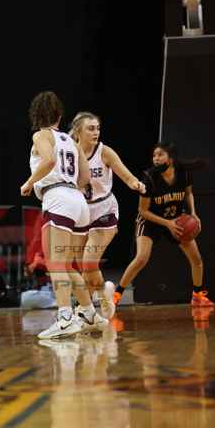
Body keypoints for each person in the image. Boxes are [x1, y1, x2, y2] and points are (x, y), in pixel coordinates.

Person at [20, 91, 107, 339]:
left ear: (36, 115)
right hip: (78, 201)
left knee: (55, 263)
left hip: (58, 198)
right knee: (67, 265)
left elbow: (48, 161)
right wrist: (71, 191)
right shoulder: (71, 141)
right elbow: (85, 177)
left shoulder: (40, 135)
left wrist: (29, 183)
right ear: (59, 115)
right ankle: (89, 314)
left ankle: (65, 317)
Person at [113, 141, 213, 307]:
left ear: (170, 158)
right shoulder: (149, 177)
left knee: (196, 259)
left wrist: (193, 213)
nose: (156, 158)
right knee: (141, 258)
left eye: (160, 155)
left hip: (176, 219)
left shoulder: (183, 173)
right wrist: (167, 223)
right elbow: (143, 211)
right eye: (154, 155)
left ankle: (197, 295)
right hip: (150, 220)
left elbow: (189, 194)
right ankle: (117, 295)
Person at [69, 111, 146, 319]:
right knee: (86, 267)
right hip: (80, 211)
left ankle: (86, 307)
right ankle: (100, 298)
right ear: (78, 131)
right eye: (90, 129)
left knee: (88, 262)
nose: (96, 132)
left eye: (97, 128)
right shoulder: (69, 153)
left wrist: (135, 184)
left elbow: (127, 176)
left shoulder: (104, 152)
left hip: (104, 209)